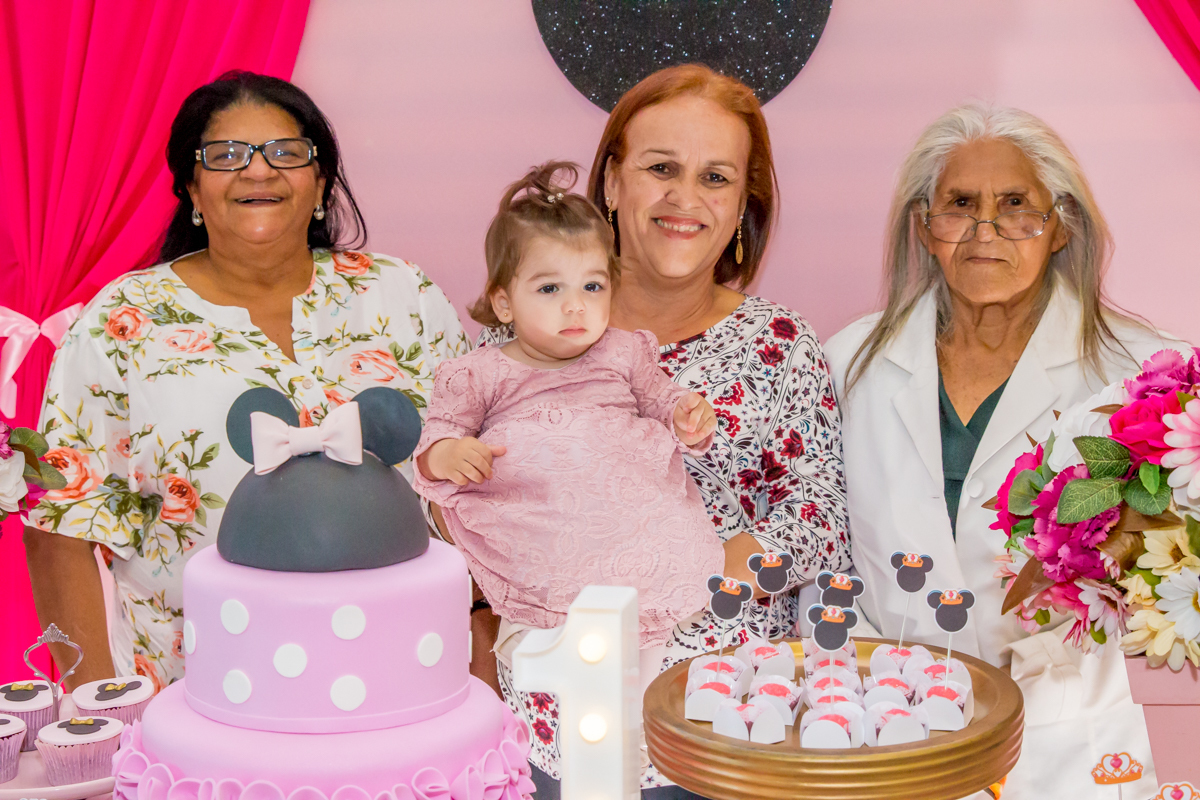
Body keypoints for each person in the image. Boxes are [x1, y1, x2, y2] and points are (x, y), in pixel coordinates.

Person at [23, 71, 468, 692]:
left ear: (321, 182)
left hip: (403, 671)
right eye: (226, 156)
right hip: (193, 691)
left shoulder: (406, 295)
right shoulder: (121, 322)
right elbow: (62, 529)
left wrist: (477, 645)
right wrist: (101, 711)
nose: (258, 172)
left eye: (286, 153)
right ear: (191, 189)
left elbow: (473, 489)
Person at [475, 64, 851, 797]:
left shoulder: (780, 342)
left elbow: (821, 519)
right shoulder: (525, 333)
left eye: (716, 178)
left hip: (727, 724)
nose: (686, 200)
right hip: (554, 728)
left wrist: (699, 564)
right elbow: (461, 505)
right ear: (612, 183)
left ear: (744, 202)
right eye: (661, 169)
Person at [824, 104, 1189, 799]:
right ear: (924, 227)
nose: (985, 232)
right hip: (895, 726)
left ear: (1061, 225)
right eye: (960, 205)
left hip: (1074, 741)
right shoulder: (850, 365)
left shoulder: (1145, 377)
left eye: (1017, 206)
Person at [414, 158, 725, 661]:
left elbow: (660, 397)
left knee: (649, 646)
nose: (576, 306)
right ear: (504, 302)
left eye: (593, 286)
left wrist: (683, 414)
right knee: (568, 657)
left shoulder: (625, 353)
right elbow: (433, 443)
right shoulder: (478, 372)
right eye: (550, 288)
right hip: (540, 524)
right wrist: (448, 454)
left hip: (626, 517)